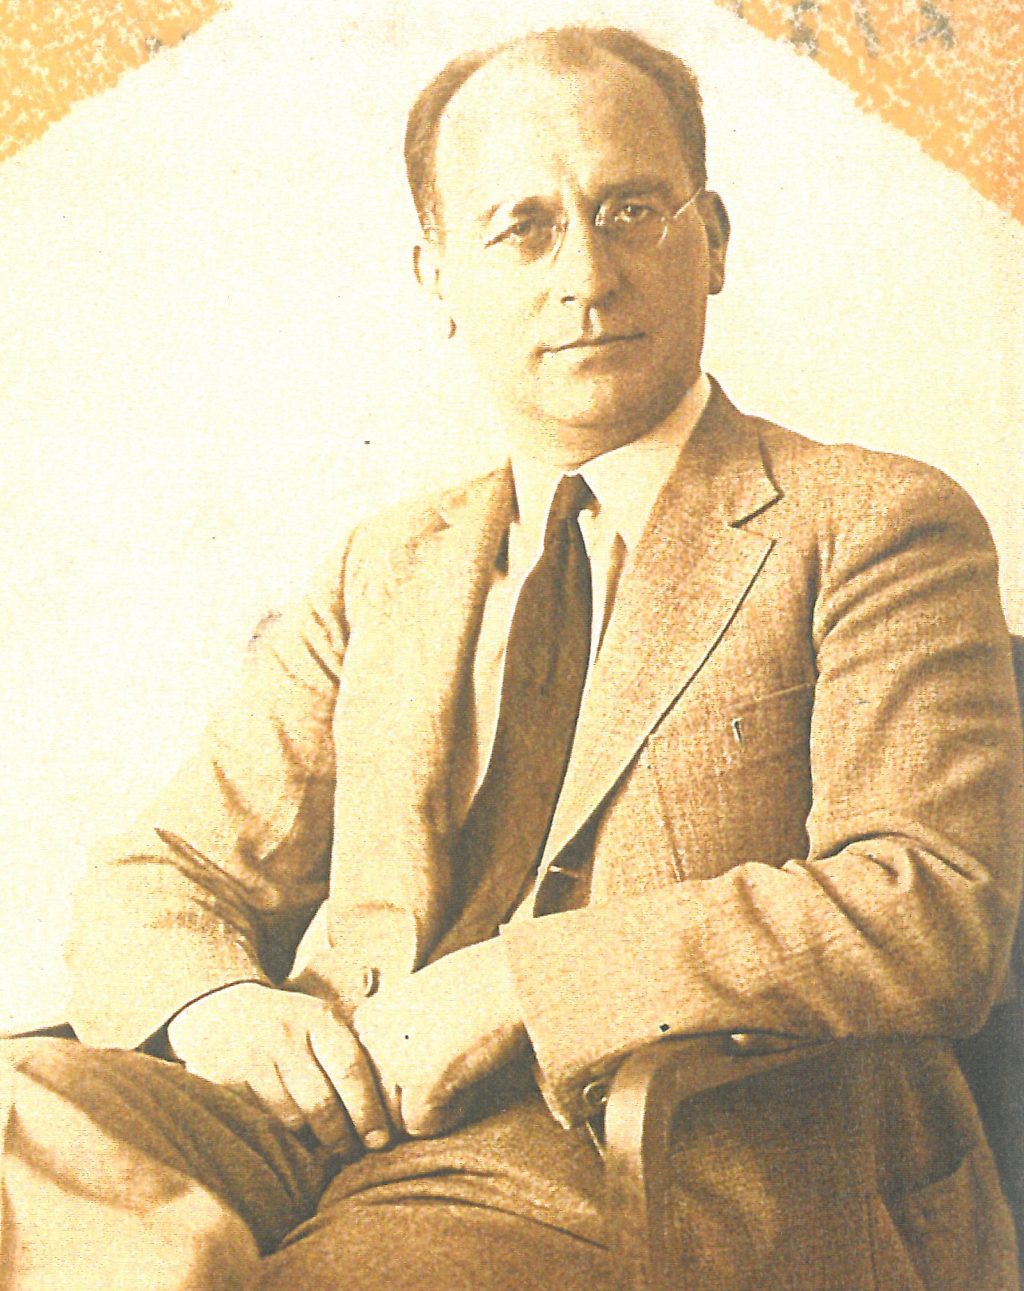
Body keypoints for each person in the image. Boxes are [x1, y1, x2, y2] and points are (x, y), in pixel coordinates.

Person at [2, 24, 1021, 1291]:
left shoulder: (871, 521)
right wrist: (221, 1010)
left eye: (631, 210)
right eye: (522, 229)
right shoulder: (387, 566)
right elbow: (165, 868)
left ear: (712, 240)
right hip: (323, 1111)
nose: (585, 274)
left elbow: (927, 900)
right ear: (436, 278)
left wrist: (517, 988)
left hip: (643, 1151)